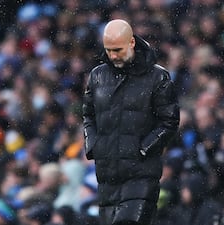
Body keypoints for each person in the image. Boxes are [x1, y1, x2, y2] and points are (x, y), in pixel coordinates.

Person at [82, 19, 180, 225]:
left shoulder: (157, 77)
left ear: (132, 43)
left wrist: (143, 149)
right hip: (107, 174)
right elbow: (87, 114)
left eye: (117, 49)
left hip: (141, 174)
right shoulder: (97, 76)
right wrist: (94, 145)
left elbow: (170, 121)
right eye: (108, 50)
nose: (113, 55)